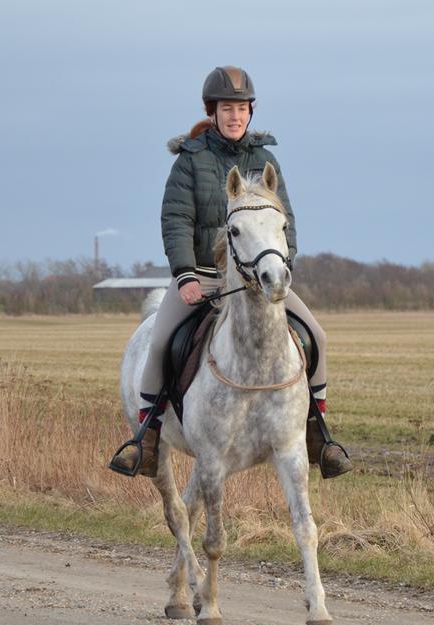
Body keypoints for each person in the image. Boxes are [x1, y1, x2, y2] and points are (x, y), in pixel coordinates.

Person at [109, 65, 351, 479]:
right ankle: (146, 438)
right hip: (202, 274)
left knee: (317, 337)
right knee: (161, 342)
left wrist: (281, 265)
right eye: (226, 109)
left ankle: (318, 434)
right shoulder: (190, 161)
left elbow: (283, 219)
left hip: (256, 279)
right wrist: (185, 275)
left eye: (241, 108)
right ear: (213, 111)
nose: (234, 116)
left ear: (250, 112)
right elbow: (177, 221)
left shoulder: (266, 159)